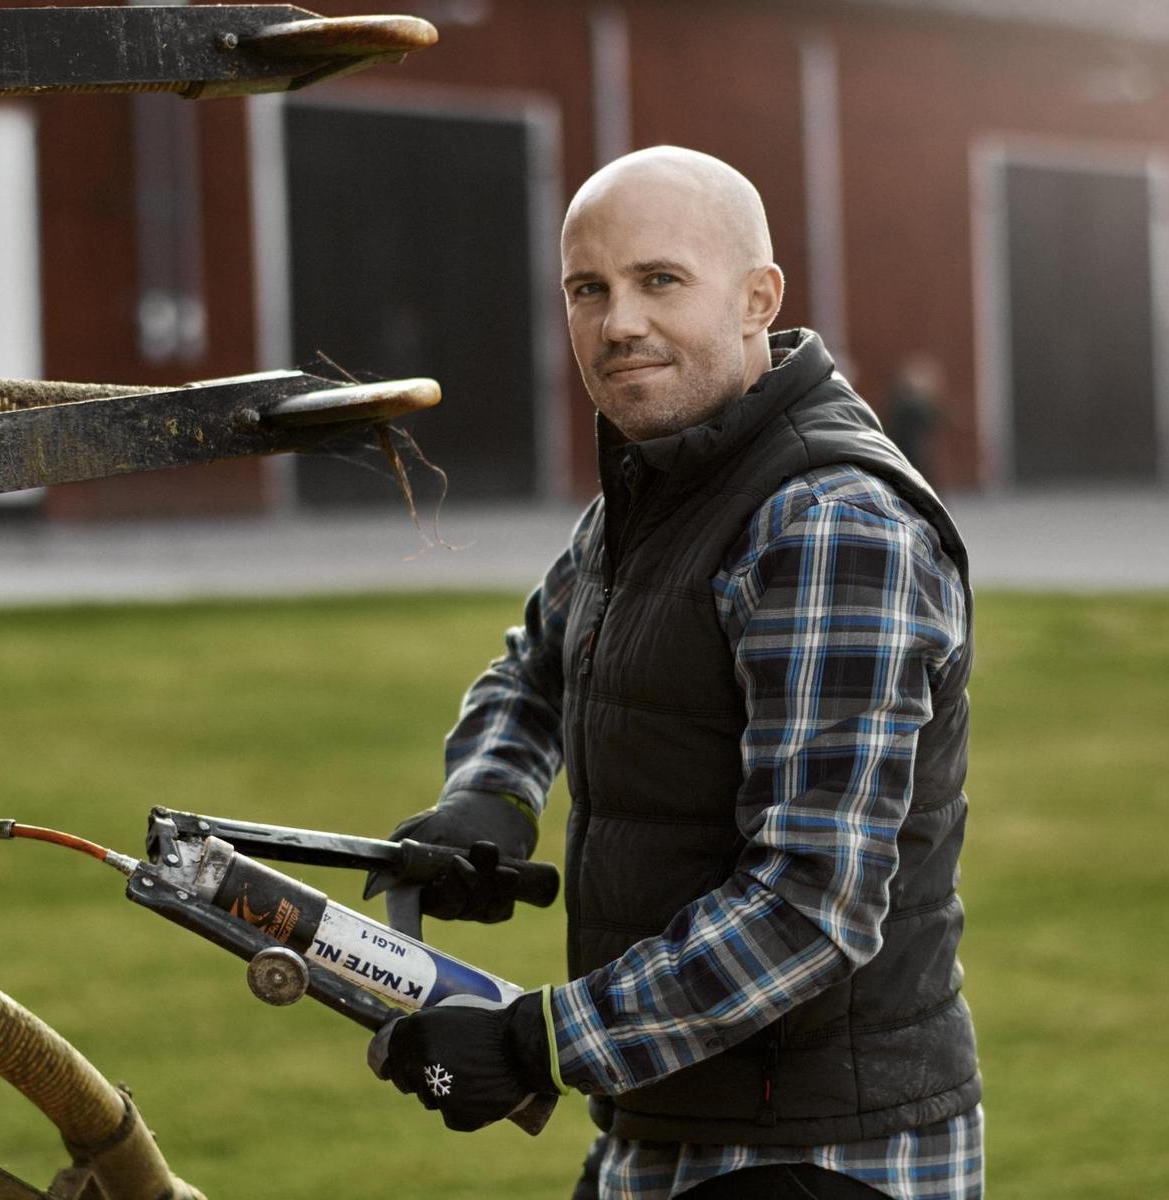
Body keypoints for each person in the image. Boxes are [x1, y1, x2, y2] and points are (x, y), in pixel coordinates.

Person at [367, 146, 981, 1200]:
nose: (617, 325)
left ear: (756, 299)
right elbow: (536, 665)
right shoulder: (658, 484)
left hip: (822, 1153)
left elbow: (810, 904)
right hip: (666, 1124)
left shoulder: (828, 522)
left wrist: (539, 1044)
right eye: (586, 289)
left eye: (659, 281)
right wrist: (490, 792)